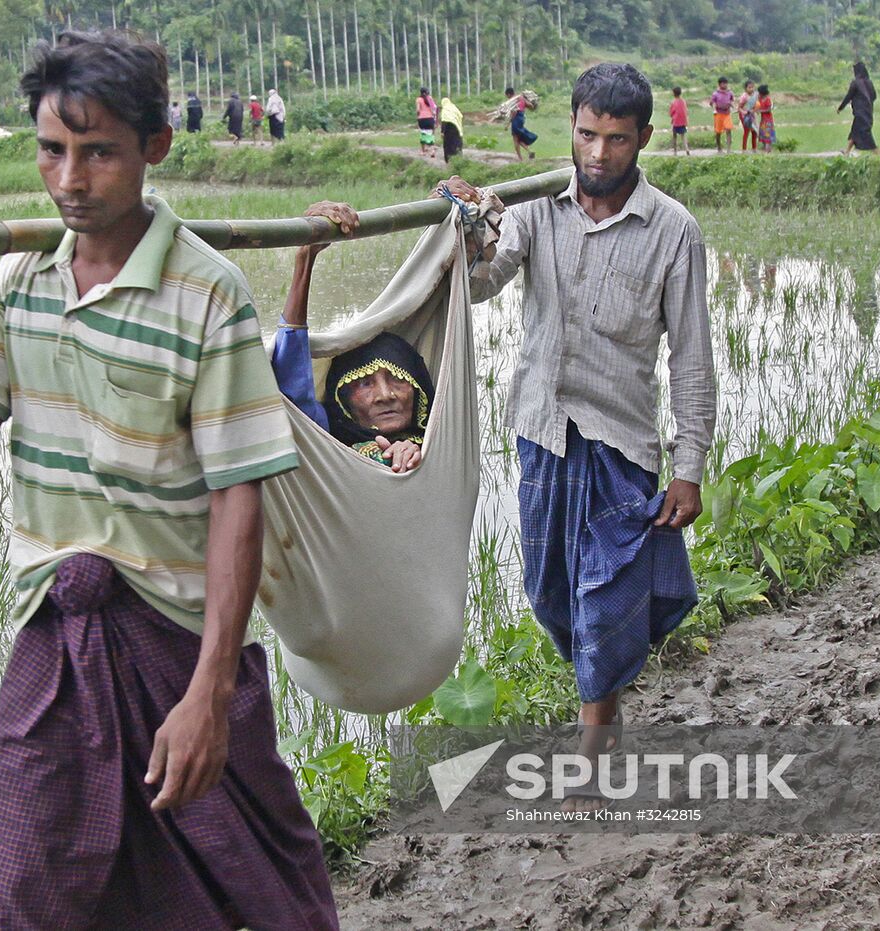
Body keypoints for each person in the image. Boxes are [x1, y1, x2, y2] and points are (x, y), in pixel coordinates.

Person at [0, 29, 338, 931]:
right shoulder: (17, 280)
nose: (68, 179)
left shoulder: (207, 293)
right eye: (52, 151)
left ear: (154, 147)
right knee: (35, 890)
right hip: (55, 634)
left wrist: (210, 693)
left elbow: (237, 495)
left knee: (255, 881)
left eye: (98, 152)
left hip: (177, 637)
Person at [438, 62, 713, 811]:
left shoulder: (673, 232)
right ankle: (606, 701)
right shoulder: (534, 208)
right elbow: (484, 282)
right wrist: (468, 232)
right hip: (540, 434)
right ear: (572, 128)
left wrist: (688, 465)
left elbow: (691, 358)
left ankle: (592, 753)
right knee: (552, 596)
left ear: (644, 139)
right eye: (587, 135)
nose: (597, 154)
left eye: (616, 140)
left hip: (620, 444)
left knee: (601, 600)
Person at [272, 201, 428, 474]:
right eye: (365, 383)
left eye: (398, 379)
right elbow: (292, 382)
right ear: (342, 400)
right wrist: (305, 258)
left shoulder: (443, 437)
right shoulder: (326, 439)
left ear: (420, 390)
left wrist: (413, 449)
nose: (385, 395)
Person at [838, 61, 877, 155]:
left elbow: (849, 96)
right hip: (868, 111)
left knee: (864, 132)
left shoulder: (855, 83)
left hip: (859, 112)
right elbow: (874, 96)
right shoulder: (869, 82)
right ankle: (847, 151)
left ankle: (877, 152)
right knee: (855, 131)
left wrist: (840, 107)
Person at [506, 86, 537, 160]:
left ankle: (521, 159)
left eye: (507, 96)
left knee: (515, 139)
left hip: (516, 119)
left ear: (509, 94)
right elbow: (531, 106)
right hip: (521, 118)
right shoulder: (521, 98)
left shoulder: (513, 100)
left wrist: (508, 124)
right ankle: (529, 152)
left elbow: (514, 112)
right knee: (518, 139)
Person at [710, 76, 733, 152]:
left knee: (728, 129)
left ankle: (729, 148)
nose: (725, 85)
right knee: (718, 132)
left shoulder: (730, 93)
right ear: (719, 84)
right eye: (723, 84)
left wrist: (732, 105)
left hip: (727, 113)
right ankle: (719, 147)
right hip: (719, 114)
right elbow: (712, 103)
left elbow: (732, 100)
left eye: (726, 83)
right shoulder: (715, 94)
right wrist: (714, 109)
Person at [439, 96, 463, 163]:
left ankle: (448, 159)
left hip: (448, 130)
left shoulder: (445, 110)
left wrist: (442, 132)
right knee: (457, 143)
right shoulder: (454, 107)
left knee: (448, 145)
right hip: (456, 128)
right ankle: (459, 158)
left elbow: (444, 121)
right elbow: (460, 116)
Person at [736, 80, 758, 152]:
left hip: (751, 114)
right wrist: (744, 112)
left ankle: (754, 149)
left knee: (754, 131)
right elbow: (739, 108)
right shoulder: (744, 97)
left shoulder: (755, 95)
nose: (751, 89)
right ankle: (744, 150)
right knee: (747, 131)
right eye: (749, 87)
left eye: (752, 87)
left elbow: (756, 105)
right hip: (744, 116)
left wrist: (755, 110)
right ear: (746, 88)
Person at [415, 86, 437, 157]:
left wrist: (418, 116)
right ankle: (432, 150)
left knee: (423, 134)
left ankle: (423, 151)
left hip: (422, 119)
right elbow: (434, 108)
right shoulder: (430, 98)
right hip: (430, 118)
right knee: (431, 134)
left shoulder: (418, 99)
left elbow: (418, 110)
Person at [668, 85, 689, 156]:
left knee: (674, 137)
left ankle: (675, 151)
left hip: (676, 122)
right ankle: (687, 149)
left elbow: (671, 113)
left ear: (674, 93)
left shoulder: (673, 102)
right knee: (683, 136)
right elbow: (686, 111)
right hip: (683, 122)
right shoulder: (683, 102)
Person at [756, 84, 775, 153]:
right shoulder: (760, 99)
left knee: (767, 137)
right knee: (763, 136)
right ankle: (766, 151)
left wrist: (760, 111)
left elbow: (769, 109)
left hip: (768, 120)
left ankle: (767, 152)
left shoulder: (767, 99)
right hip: (763, 120)